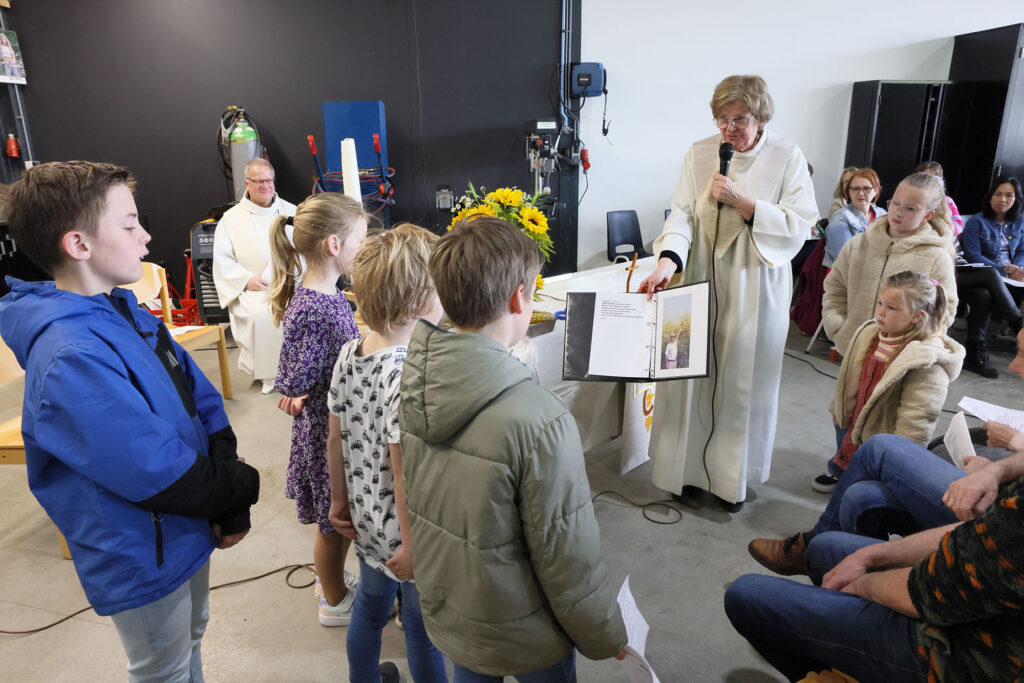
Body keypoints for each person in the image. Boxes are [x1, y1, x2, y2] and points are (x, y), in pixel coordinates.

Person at [0, 161, 260, 681]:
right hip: (141, 548)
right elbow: (146, 464)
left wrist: (224, 471)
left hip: (186, 521)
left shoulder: (125, 311)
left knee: (192, 636)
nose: (145, 235)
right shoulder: (67, 353)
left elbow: (197, 397)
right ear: (79, 244)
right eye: (129, 224)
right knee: (161, 667)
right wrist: (232, 488)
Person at [400, 215, 627, 681]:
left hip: (456, 615)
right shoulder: (541, 421)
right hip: (529, 636)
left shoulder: (418, 383)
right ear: (519, 298)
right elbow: (568, 556)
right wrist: (605, 633)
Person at [730, 333, 1024, 681]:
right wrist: (869, 559)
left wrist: (864, 584)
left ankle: (832, 659)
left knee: (745, 595)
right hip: (975, 587)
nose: (1012, 365)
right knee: (854, 509)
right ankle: (832, 630)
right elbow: (976, 535)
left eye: (1023, 354)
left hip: (969, 657)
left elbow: (927, 593)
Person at [637, 74, 818, 511]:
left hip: (753, 279)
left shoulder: (787, 156)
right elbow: (680, 215)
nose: (729, 130)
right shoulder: (701, 153)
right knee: (684, 377)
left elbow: (802, 222)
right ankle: (681, 473)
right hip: (696, 275)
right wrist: (667, 261)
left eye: (740, 119)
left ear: (761, 116)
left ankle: (728, 482)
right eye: (722, 119)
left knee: (741, 384)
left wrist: (746, 203)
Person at [750, 326, 1024, 577]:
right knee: (861, 497)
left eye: (1023, 354)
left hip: (1003, 521)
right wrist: (998, 467)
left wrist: (1013, 445)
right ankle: (853, 586)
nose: (1012, 366)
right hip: (994, 485)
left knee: (881, 447)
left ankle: (812, 546)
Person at [326, 223, 447, 683]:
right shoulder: (406, 374)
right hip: (406, 537)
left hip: (365, 522)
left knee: (370, 611)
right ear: (419, 301)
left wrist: (339, 503)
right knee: (420, 630)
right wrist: (415, 547)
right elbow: (404, 474)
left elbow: (335, 439)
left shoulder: (349, 352)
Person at [268, 192, 368, 626]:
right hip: (326, 432)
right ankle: (333, 599)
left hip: (334, 424)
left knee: (340, 521)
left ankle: (333, 581)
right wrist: (297, 391)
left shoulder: (325, 295)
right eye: (359, 242)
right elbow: (292, 377)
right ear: (333, 245)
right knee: (334, 524)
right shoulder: (315, 305)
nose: (361, 250)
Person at [809, 271, 963, 494]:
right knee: (846, 445)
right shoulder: (870, 333)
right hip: (854, 413)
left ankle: (861, 486)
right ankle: (839, 470)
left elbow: (919, 416)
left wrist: (899, 452)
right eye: (880, 303)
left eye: (891, 308)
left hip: (883, 430)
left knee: (866, 468)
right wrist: (840, 406)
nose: (881, 311)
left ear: (916, 317)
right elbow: (851, 373)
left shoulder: (926, 359)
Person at [822, 172, 957, 357]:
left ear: (928, 215)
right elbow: (834, 287)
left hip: (902, 358)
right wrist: (838, 327)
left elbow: (944, 310)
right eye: (895, 203)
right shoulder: (858, 244)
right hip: (853, 348)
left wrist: (912, 344)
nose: (899, 212)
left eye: (911, 209)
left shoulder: (936, 257)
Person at [213, 157, 297, 393]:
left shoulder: (291, 212)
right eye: (259, 181)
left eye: (269, 180)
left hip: (291, 284)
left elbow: (306, 250)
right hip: (256, 287)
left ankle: (299, 371)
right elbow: (222, 259)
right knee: (262, 313)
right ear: (246, 183)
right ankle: (270, 374)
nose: (266, 186)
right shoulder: (231, 219)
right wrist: (245, 279)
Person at [958, 176, 1024, 377]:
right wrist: (1002, 269)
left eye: (1008, 195)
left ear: (1016, 199)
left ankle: (974, 353)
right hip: (979, 273)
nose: (1003, 199)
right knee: (989, 275)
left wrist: (1017, 268)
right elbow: (973, 254)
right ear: (990, 197)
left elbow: (1022, 250)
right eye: (998, 194)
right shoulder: (977, 222)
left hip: (1005, 278)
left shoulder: (1019, 222)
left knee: (983, 294)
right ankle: (1018, 324)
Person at [822, 168, 885, 268]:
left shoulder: (882, 214)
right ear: (849, 192)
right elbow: (845, 261)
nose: (860, 193)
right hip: (847, 277)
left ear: (876, 190)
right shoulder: (840, 219)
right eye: (855, 189)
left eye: (866, 188)